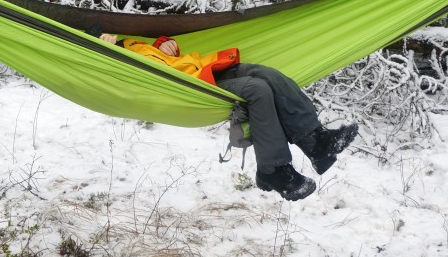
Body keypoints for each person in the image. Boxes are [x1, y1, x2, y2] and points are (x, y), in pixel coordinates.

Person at [100, 33, 358, 201]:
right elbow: (116, 80)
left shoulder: (132, 43)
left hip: (210, 68)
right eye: (100, 35)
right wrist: (103, 51)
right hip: (192, 87)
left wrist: (165, 44)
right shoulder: (108, 53)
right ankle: (274, 170)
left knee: (268, 74)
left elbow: (164, 56)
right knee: (258, 90)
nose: (108, 35)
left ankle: (317, 142)